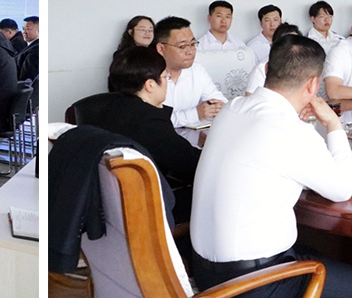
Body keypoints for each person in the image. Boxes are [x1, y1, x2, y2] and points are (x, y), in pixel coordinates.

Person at [190, 34, 352, 298]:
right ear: (313, 84)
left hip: (205, 270)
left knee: (325, 253)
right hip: (252, 283)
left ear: (267, 69)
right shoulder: (290, 129)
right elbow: (342, 189)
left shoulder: (233, 108)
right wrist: (333, 123)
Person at [72, 46, 203, 223]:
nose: (167, 83)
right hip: (146, 210)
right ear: (150, 85)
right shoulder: (149, 120)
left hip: (110, 208)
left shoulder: (109, 108)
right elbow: (190, 163)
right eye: (165, 77)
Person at [155, 16, 225, 141]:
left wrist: (216, 107)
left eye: (193, 44)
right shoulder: (148, 76)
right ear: (161, 48)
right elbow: (154, 121)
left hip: (192, 143)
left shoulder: (197, 71)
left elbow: (219, 102)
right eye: (182, 46)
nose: (190, 51)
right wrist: (195, 114)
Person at [18, 15, 40, 82]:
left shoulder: (36, 49)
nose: (24, 32)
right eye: (23, 29)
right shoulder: (31, 46)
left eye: (27, 29)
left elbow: (28, 75)